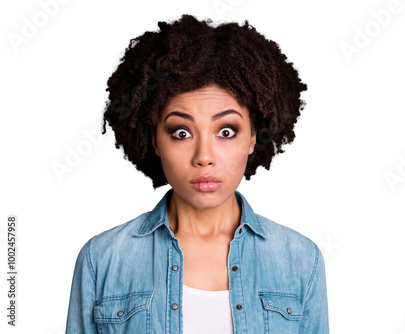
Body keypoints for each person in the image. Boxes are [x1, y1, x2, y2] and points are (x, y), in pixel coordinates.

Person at [66, 14, 329, 333]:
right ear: (155, 141)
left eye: (227, 131)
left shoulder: (300, 260)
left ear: (253, 138)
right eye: (181, 132)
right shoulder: (102, 259)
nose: (204, 156)